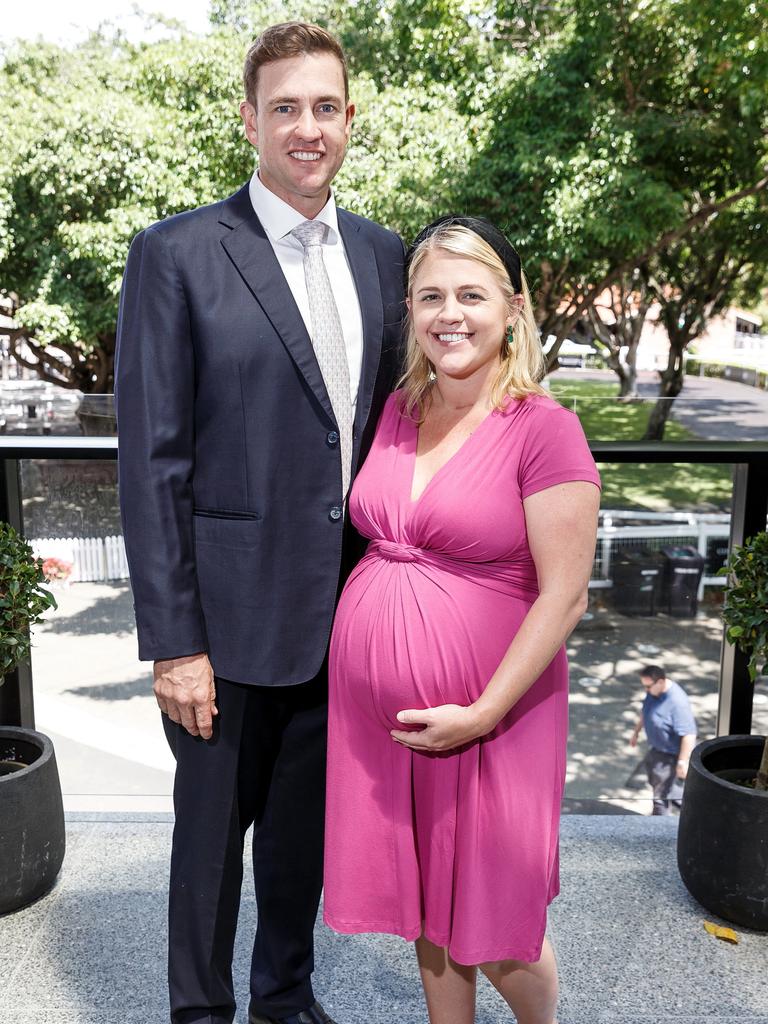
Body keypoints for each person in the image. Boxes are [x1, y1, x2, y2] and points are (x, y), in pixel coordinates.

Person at [115, 22, 405, 1024]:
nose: (307, 127)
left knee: (299, 837)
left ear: (350, 121)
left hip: (343, 615)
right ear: (249, 120)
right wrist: (174, 642)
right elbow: (151, 462)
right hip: (224, 629)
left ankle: (286, 997)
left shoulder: (381, 255)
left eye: (325, 106)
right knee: (207, 847)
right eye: (285, 107)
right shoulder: (176, 255)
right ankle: (201, 1013)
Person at [323, 216, 602, 1024]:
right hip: (394, 725)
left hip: (496, 719)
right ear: (409, 309)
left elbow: (566, 596)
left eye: (472, 295)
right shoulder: (401, 410)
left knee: (498, 926)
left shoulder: (545, 428)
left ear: (513, 308)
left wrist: (480, 712)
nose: (451, 314)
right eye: (432, 296)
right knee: (427, 907)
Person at [630, 664, 697, 816]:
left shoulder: (677, 702)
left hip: (669, 756)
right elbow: (645, 710)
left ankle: (659, 827)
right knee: (664, 789)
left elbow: (689, 734)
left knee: (661, 798)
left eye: (648, 686)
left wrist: (682, 762)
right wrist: (636, 731)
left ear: (660, 682)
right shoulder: (654, 692)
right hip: (656, 750)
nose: (646, 690)